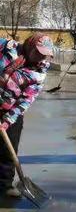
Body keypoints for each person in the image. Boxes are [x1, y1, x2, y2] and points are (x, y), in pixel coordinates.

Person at [0, 34, 54, 198]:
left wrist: (7, 120)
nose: (41, 57)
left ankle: (4, 185)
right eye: (38, 52)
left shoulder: (40, 71)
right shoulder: (8, 48)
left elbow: (26, 99)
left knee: (8, 150)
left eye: (45, 54)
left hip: (10, 110)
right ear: (30, 46)